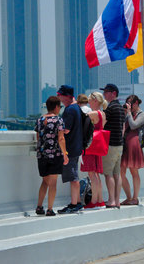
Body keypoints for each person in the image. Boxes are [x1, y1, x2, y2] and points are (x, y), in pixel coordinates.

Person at [34, 96, 69, 216]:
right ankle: (49, 209)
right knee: (53, 183)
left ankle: (39, 206)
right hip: (55, 154)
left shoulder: (39, 120)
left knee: (45, 181)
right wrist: (65, 154)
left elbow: (38, 137)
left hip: (42, 154)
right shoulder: (58, 120)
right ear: (56, 107)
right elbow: (61, 138)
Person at [56, 85, 84, 214]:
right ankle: (77, 202)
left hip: (70, 148)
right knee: (74, 175)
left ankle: (74, 204)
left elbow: (66, 130)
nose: (58, 98)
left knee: (73, 177)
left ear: (66, 96)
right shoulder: (77, 108)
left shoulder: (69, 110)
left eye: (60, 95)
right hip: (77, 146)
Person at [81, 92, 108, 209]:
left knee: (92, 174)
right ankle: (99, 200)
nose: (88, 102)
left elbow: (80, 118)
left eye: (90, 100)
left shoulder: (92, 113)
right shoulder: (102, 113)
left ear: (95, 101)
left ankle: (94, 201)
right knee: (96, 175)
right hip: (98, 146)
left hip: (91, 146)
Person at [101, 83, 126, 208]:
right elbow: (123, 127)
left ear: (113, 93)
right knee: (117, 174)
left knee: (108, 174)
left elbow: (103, 123)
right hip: (119, 145)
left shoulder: (110, 108)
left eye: (106, 92)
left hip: (110, 144)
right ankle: (117, 200)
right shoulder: (121, 109)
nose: (104, 94)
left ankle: (111, 200)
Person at [120, 95, 144, 206]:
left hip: (134, 144)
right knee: (121, 172)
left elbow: (134, 125)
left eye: (130, 104)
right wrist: (126, 113)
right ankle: (128, 197)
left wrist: (129, 113)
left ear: (136, 103)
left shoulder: (143, 114)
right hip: (125, 144)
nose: (128, 106)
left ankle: (135, 198)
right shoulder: (128, 114)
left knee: (133, 171)